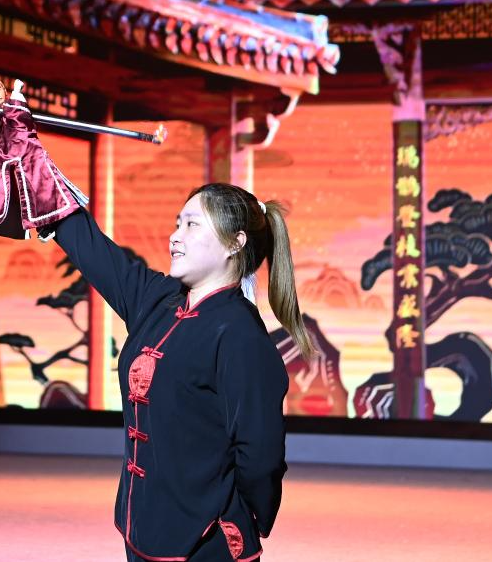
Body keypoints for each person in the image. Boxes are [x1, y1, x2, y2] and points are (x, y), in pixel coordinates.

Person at [44, 182, 316, 561]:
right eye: (177, 224)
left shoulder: (240, 334)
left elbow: (260, 454)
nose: (175, 236)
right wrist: (30, 165)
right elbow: (94, 250)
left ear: (235, 243)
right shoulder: (157, 299)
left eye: (191, 225)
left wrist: (241, 516)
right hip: (141, 524)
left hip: (205, 538)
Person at [0, 74, 87, 239]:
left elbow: (22, 122)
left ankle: (47, 225)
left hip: (27, 151)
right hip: (0, 155)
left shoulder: (14, 111)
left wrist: (17, 93)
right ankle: (41, 225)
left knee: (39, 186)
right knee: (4, 189)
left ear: (4, 90)